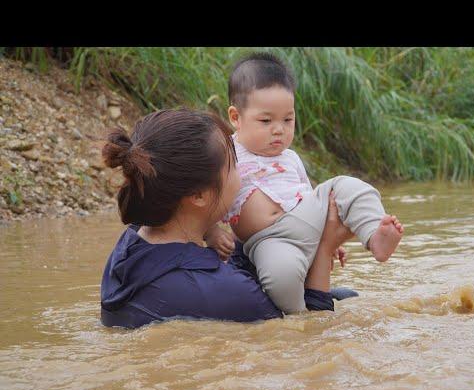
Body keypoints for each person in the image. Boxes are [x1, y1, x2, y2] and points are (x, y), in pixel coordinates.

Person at [99, 108, 354, 329]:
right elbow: (309, 330)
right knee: (350, 299)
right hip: (222, 301)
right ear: (198, 195)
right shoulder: (231, 293)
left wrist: (210, 229)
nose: (243, 175)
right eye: (235, 165)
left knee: (345, 295)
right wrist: (324, 248)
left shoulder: (132, 239)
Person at [206, 52, 404, 314]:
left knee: (347, 187)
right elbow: (207, 197)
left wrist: (329, 237)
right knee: (280, 278)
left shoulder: (290, 157)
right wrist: (211, 232)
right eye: (266, 121)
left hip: (305, 217)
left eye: (288, 119)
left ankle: (374, 235)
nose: (279, 129)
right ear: (235, 117)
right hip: (269, 240)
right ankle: (302, 316)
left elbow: (310, 196)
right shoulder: (226, 153)